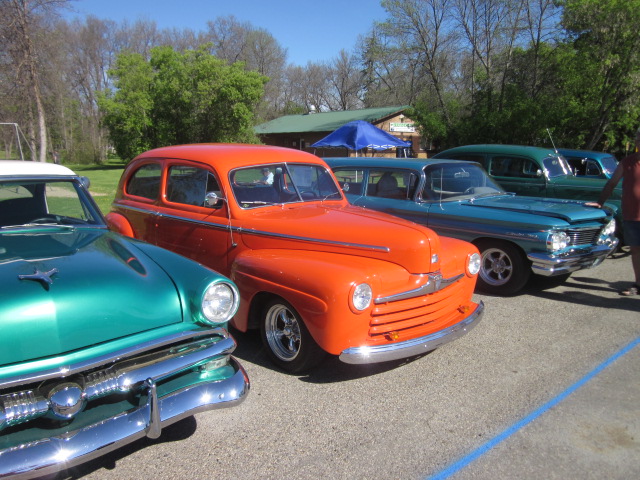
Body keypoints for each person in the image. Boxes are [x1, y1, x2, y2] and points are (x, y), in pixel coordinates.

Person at [589, 128, 640, 295]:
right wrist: (600, 202)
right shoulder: (627, 162)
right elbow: (612, 183)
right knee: (635, 250)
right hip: (632, 214)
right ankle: (638, 284)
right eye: (639, 140)